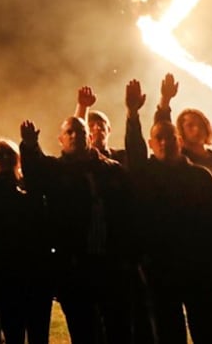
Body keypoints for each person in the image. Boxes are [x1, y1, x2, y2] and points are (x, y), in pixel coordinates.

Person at [123, 78, 212, 344]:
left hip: (200, 268)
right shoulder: (146, 174)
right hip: (161, 269)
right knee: (168, 332)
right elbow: (134, 148)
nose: (165, 142)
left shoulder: (201, 177)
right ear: (151, 144)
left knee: (207, 330)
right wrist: (132, 115)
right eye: (158, 138)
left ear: (179, 141)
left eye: (169, 137)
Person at [20, 114, 134, 343]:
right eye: (69, 132)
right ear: (61, 140)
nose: (76, 136)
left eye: (80, 131)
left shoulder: (112, 170)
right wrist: (30, 147)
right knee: (84, 330)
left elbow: (128, 215)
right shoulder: (56, 171)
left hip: (111, 265)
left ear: (90, 136)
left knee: (119, 329)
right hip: (75, 267)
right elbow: (35, 175)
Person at [0, 127, 53, 344]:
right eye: (0, 155)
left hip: (35, 274)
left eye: (10, 153)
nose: (6, 158)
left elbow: (36, 174)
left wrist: (28, 146)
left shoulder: (31, 187)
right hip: (6, 276)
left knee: (39, 334)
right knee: (13, 333)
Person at [74, 86, 127, 164]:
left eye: (101, 125)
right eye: (91, 126)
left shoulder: (121, 157)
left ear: (109, 130)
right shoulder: (82, 159)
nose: (97, 128)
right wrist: (82, 107)